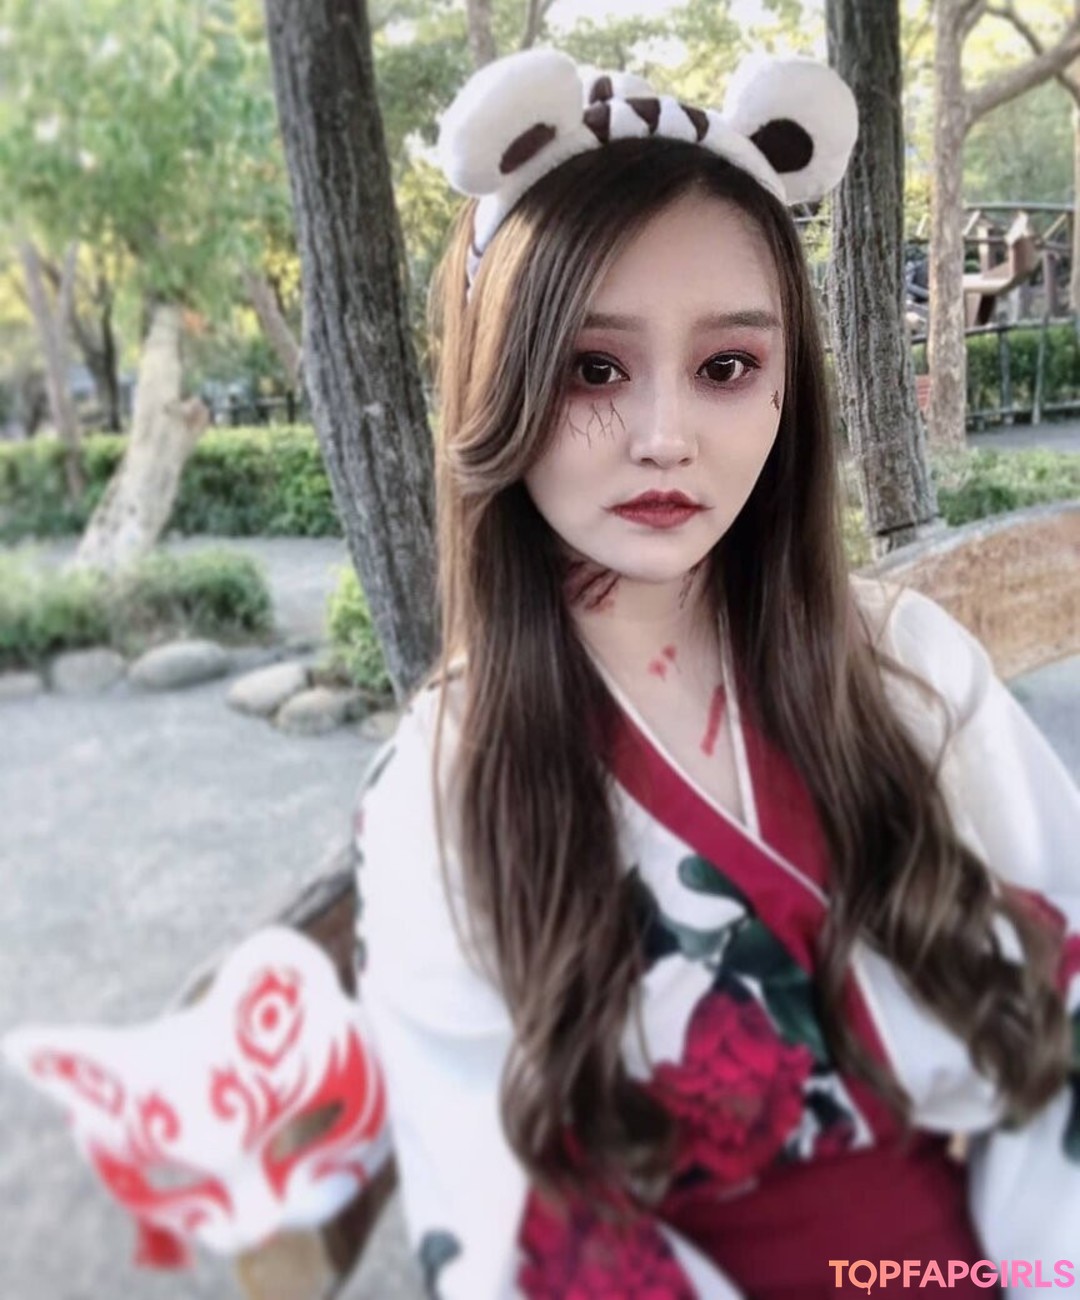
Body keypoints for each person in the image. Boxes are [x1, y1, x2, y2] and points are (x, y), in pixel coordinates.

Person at [352, 47, 1080, 1300]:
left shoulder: (907, 668)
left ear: (787, 384)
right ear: (500, 384)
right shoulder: (447, 778)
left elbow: (1059, 1030)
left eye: (727, 366)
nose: (665, 437)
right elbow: (504, 1214)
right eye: (593, 367)